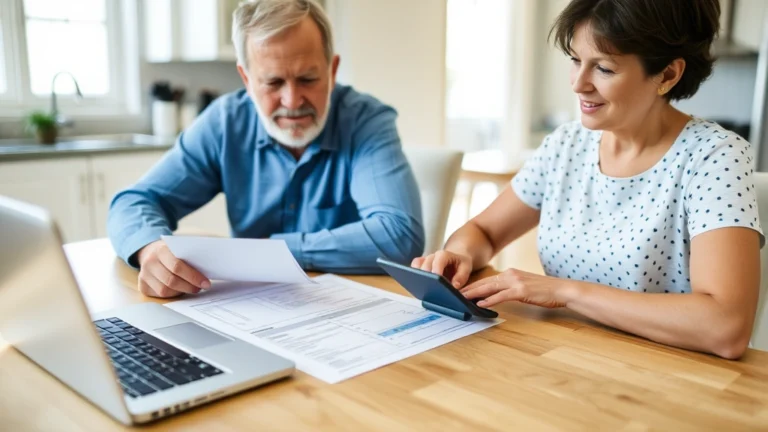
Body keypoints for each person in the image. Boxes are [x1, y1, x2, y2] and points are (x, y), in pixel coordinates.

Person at [413, 0, 763, 359]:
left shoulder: (713, 157)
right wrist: (459, 254)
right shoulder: (566, 145)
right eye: (575, 60)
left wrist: (565, 292)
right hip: (565, 355)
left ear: (668, 75)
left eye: (604, 69)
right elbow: (483, 232)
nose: (579, 84)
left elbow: (726, 327)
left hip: (668, 376)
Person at [109, 0, 424, 298]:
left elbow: (399, 237)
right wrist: (150, 248)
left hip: (353, 310)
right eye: (273, 83)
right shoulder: (224, 123)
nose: (292, 101)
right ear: (246, 79)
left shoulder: (366, 122)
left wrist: (273, 250)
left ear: (332, 70)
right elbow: (134, 202)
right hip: (251, 309)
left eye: (308, 78)